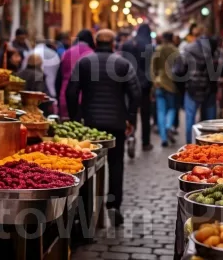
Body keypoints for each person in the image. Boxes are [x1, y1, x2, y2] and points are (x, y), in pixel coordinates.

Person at [67, 29, 141, 226]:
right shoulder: (123, 64)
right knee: (116, 164)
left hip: (90, 125)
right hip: (116, 123)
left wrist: (76, 117)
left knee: (87, 165)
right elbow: (135, 93)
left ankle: (85, 209)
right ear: (114, 43)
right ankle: (114, 205)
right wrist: (130, 118)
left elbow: (71, 91)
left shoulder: (83, 62)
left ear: (95, 43)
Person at [175, 26, 221, 144]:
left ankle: (191, 145)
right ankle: (210, 145)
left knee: (190, 119)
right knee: (209, 122)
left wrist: (182, 87)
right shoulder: (216, 50)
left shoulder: (188, 49)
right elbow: (220, 70)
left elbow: (178, 71)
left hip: (192, 88)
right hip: (210, 89)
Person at [120, 24, 154, 153]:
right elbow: (150, 68)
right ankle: (146, 142)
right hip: (145, 84)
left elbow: (122, 64)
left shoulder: (127, 44)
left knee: (131, 111)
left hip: (129, 83)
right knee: (146, 114)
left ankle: (130, 136)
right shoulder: (149, 47)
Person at [57, 29, 95, 119]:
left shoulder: (67, 53)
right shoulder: (92, 54)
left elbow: (59, 77)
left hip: (65, 95)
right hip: (86, 98)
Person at [151, 31, 179, 147]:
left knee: (160, 111)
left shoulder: (158, 50)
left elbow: (153, 68)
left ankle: (163, 138)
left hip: (159, 83)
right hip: (172, 83)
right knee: (172, 108)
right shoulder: (175, 51)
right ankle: (168, 126)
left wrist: (154, 82)